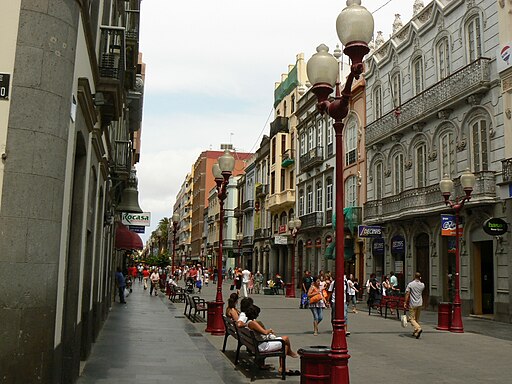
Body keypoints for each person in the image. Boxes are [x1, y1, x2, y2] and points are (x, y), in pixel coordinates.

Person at [245, 305, 299, 375]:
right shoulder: (252, 323)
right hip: (263, 346)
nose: (258, 315)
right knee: (285, 340)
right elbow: (264, 332)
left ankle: (284, 363)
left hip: (256, 345)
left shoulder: (248, 322)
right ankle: (286, 360)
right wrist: (270, 330)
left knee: (285, 343)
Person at [405, 272, 425, 339]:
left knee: (411, 318)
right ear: (420, 277)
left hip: (413, 304)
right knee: (416, 319)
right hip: (419, 303)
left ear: (414, 276)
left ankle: (418, 328)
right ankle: (415, 332)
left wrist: (405, 302)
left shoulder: (410, 284)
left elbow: (407, 294)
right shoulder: (422, 285)